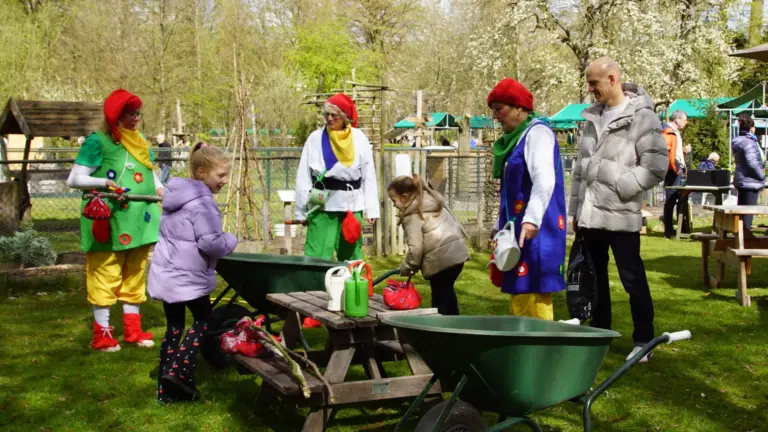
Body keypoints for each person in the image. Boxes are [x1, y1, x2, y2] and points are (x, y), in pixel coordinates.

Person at [569, 57, 667, 362]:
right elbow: (580, 169)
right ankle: (600, 335)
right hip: (590, 216)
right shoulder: (591, 117)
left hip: (621, 215)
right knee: (594, 277)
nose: (590, 89)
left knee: (632, 278)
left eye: (594, 83)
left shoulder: (643, 118)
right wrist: (576, 210)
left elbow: (656, 167)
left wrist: (621, 185)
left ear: (612, 79)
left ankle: (644, 340)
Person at [67, 89, 163, 352]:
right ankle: (102, 335)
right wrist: (104, 183)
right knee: (105, 272)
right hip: (109, 220)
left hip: (140, 220)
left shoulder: (140, 141)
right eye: (130, 114)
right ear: (115, 116)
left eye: (137, 113)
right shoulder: (97, 142)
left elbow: (149, 172)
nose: (136, 118)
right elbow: (74, 179)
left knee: (135, 273)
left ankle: (133, 330)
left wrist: (160, 189)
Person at [148, 142, 238, 402]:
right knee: (204, 321)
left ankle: (165, 389)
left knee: (174, 326)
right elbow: (210, 243)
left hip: (168, 275)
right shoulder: (203, 204)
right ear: (201, 172)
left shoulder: (174, 197)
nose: (224, 181)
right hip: (189, 278)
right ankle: (179, 372)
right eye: (221, 175)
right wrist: (230, 239)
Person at [487, 78, 567, 320]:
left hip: (536, 228)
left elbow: (544, 179)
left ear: (519, 108)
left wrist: (531, 219)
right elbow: (511, 191)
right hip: (519, 228)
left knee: (532, 288)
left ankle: (538, 340)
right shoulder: (518, 138)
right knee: (520, 291)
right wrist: (499, 226)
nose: (496, 117)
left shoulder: (538, 133)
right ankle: (521, 337)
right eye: (493, 111)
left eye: (499, 109)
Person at [295, 93, 380, 261]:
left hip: (352, 203)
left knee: (351, 253)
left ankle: (350, 278)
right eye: (327, 114)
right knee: (317, 253)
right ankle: (314, 278)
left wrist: (372, 208)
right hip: (321, 200)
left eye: (334, 115)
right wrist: (300, 212)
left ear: (344, 117)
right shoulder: (315, 138)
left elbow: (368, 176)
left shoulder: (359, 138)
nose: (329, 118)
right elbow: (304, 176)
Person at [388, 174, 469, 315]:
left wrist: (406, 267)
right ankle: (455, 322)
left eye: (393, 200)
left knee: (439, 300)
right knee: (446, 291)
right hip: (457, 255)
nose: (394, 204)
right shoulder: (431, 201)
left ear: (404, 197)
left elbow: (416, 249)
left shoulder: (413, 215)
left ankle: (439, 326)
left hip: (440, 261)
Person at [732, 114, 766, 230]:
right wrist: (762, 176)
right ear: (752, 128)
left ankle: (739, 234)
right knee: (748, 212)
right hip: (751, 181)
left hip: (742, 178)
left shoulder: (738, 140)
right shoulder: (749, 142)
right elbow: (752, 163)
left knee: (741, 211)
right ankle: (745, 235)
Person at [662, 110, 689, 239]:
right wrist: (675, 167)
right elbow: (665, 152)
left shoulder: (675, 132)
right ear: (677, 119)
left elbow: (674, 151)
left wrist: (683, 153)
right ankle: (669, 230)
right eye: (684, 120)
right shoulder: (667, 131)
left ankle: (681, 227)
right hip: (672, 169)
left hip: (677, 168)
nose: (686, 122)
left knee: (680, 197)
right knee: (671, 199)